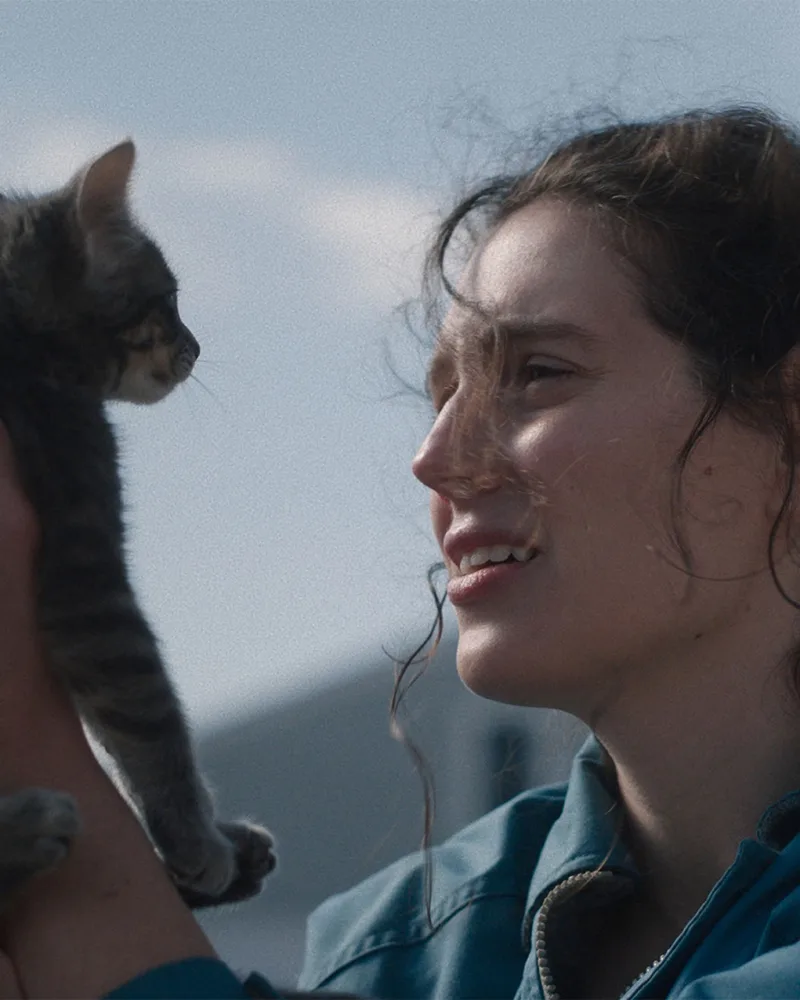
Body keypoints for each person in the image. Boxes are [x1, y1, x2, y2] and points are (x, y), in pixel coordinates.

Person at [2, 104, 800, 999]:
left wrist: (26, 713)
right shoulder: (400, 949)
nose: (434, 459)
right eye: (442, 396)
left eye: (541, 373)